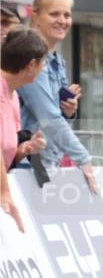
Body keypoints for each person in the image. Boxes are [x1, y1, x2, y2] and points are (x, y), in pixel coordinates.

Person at [17, 0, 96, 193]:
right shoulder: (31, 58)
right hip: (26, 163)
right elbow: (48, 117)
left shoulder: (57, 60)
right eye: (54, 14)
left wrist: (69, 111)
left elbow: (56, 115)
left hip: (48, 160)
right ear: (35, 17)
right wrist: (83, 159)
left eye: (67, 15)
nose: (62, 21)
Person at [1, 27, 48, 171]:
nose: (44, 67)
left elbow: (8, 153)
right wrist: (4, 192)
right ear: (31, 65)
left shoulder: (13, 95)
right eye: (43, 62)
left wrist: (25, 149)